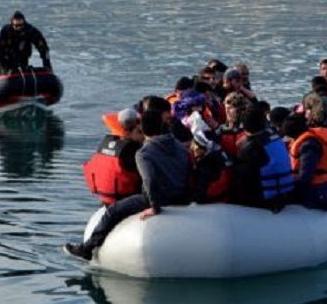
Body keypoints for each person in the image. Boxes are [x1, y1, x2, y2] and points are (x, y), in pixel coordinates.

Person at [65, 108, 191, 261]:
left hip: (159, 198)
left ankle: (87, 248)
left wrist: (154, 206)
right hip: (183, 195)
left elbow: (149, 180)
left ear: (142, 128)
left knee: (112, 212)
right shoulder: (178, 145)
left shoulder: (144, 153)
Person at [230, 106, 294, 211]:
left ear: (244, 126)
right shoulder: (276, 137)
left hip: (267, 200)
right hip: (286, 193)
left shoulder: (251, 149)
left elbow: (241, 182)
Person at [83, 108, 145, 205]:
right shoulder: (133, 150)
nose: (143, 136)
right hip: (127, 199)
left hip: (104, 198)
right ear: (132, 130)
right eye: (140, 132)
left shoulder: (105, 143)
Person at [282, 112, 327, 211]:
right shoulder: (311, 136)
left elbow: (305, 175)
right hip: (321, 184)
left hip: (315, 189)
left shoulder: (309, 146)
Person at [0, 10, 52, 74]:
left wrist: (47, 65)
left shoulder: (30, 31)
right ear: (12, 24)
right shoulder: (6, 31)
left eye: (21, 25)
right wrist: (3, 64)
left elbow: (43, 47)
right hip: (6, 60)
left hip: (22, 60)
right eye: (16, 26)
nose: (19, 28)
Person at [189, 131, 233, 204]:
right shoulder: (223, 154)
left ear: (204, 148)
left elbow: (201, 194)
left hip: (213, 206)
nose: (192, 147)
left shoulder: (207, 164)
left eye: (194, 144)